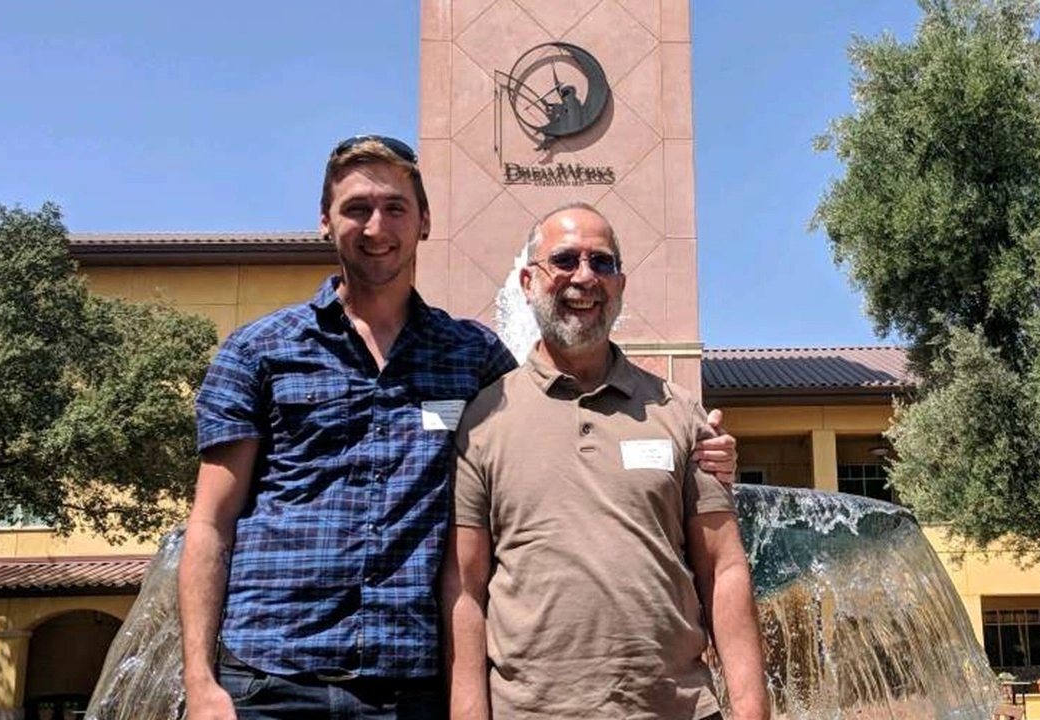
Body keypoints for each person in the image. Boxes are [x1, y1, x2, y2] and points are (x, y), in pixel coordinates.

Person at [179, 138, 740, 720]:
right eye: (356, 208)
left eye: (395, 208)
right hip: (270, 676)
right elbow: (212, 522)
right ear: (325, 220)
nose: (377, 226)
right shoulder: (259, 351)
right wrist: (200, 680)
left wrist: (699, 447)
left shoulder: (472, 357)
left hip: (410, 687)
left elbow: (553, 422)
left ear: (424, 221)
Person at [443, 203, 768, 720]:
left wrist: (752, 710)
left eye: (602, 262)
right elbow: (465, 589)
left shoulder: (679, 412)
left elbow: (723, 567)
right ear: (528, 281)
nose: (584, 277)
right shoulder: (484, 420)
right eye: (564, 260)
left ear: (620, 284)